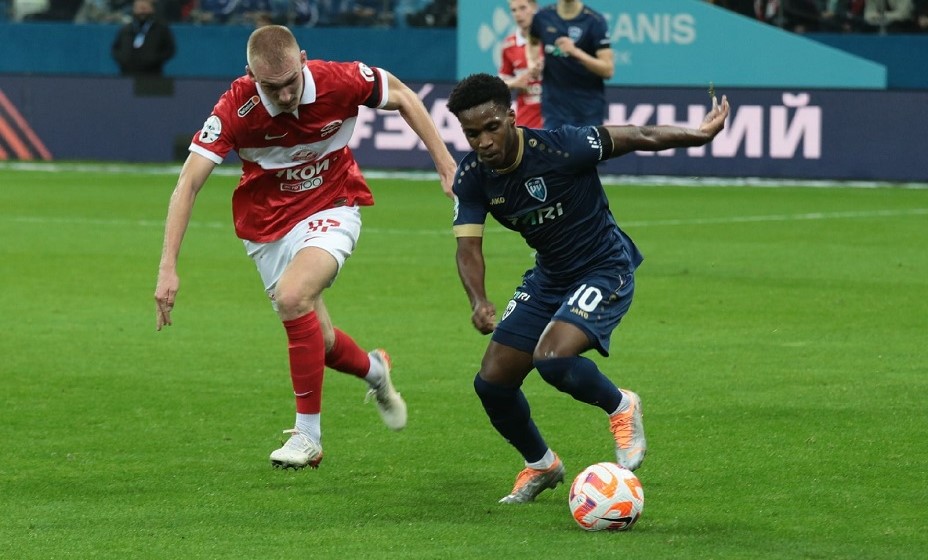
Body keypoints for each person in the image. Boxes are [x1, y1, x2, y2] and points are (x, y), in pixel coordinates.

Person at [154, 25, 457, 470]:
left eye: (290, 82)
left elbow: (404, 96)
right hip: (267, 227)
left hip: (333, 203)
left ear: (303, 61)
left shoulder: (340, 80)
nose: (284, 95)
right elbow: (188, 183)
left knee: (293, 296)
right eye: (270, 87)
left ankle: (307, 436)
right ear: (251, 76)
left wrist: (446, 165)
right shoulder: (236, 107)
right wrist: (168, 266)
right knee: (323, 341)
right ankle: (375, 370)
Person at [445, 73, 730, 503]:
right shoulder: (472, 178)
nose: (483, 141)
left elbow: (639, 135)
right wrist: (478, 299)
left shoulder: (563, 147)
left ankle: (621, 406)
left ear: (512, 117)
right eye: (472, 134)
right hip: (549, 278)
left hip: (604, 267)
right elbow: (468, 248)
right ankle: (542, 465)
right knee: (492, 384)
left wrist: (698, 135)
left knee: (553, 359)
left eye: (491, 127)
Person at [525, 0, 613, 128]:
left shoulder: (595, 21)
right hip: (554, 110)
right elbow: (533, 41)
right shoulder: (542, 17)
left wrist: (575, 52)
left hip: (587, 110)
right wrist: (532, 62)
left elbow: (608, 70)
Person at [499, 0, 543, 129]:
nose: (518, 14)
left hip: (556, 117)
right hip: (527, 121)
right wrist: (515, 83)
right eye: (514, 10)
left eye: (523, 8)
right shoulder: (509, 45)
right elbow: (500, 84)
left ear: (534, 7)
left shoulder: (552, 38)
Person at [111, 0, 176, 76]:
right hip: (127, 73)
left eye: (145, 8)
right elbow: (115, 48)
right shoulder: (126, 29)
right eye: (139, 8)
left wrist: (154, 60)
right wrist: (124, 59)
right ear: (133, 9)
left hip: (153, 74)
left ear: (152, 9)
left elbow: (169, 49)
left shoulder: (161, 29)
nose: (142, 11)